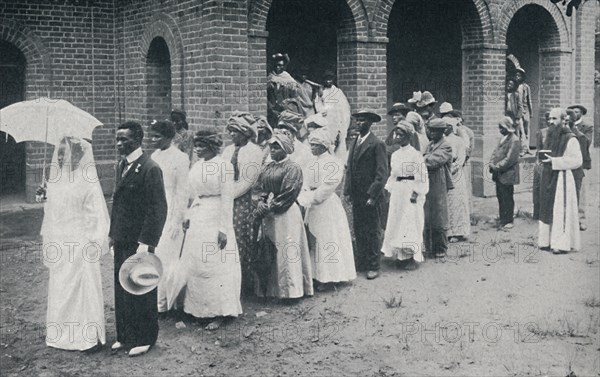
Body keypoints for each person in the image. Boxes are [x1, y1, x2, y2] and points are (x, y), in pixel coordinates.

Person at [41, 137, 109, 352]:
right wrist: (45, 195)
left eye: (65, 153)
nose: (61, 157)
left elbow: (95, 214)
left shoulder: (86, 180)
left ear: (77, 155)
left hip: (79, 241)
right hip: (60, 240)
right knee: (61, 285)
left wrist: (91, 241)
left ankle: (87, 337)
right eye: (58, 154)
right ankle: (60, 334)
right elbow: (52, 213)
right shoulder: (56, 180)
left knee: (81, 286)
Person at [109, 121, 168, 357]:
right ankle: (126, 335)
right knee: (122, 287)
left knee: (141, 287)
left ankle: (145, 338)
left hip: (139, 240)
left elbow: (158, 209)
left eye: (125, 139)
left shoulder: (150, 168)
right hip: (122, 238)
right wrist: (112, 235)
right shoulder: (121, 165)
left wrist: (147, 242)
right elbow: (118, 204)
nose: (120, 143)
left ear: (139, 139)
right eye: (117, 139)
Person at [180, 126, 242, 329]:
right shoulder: (196, 167)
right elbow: (193, 195)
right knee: (197, 263)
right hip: (199, 217)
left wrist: (224, 228)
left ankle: (220, 311)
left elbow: (227, 199)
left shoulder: (224, 166)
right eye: (196, 145)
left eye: (201, 146)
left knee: (216, 264)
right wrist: (187, 215)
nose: (197, 149)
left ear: (212, 147)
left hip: (216, 216)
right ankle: (199, 309)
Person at [253, 129, 314, 299]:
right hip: (270, 215)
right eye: (271, 148)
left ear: (286, 149)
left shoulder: (293, 168)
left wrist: (270, 207)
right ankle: (271, 290)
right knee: (271, 248)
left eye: (277, 148)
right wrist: (260, 202)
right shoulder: (268, 167)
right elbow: (261, 188)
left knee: (288, 249)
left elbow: (289, 192)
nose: (273, 151)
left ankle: (290, 291)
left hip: (286, 213)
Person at [297, 128, 356, 290]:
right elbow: (305, 183)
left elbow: (328, 187)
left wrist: (311, 198)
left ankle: (330, 277)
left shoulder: (334, 163)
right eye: (311, 144)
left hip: (327, 205)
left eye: (316, 144)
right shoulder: (312, 163)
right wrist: (304, 194)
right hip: (312, 206)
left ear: (324, 145)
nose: (312, 147)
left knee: (328, 239)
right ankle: (315, 275)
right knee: (314, 238)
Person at [149, 119, 189, 314]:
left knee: (167, 256)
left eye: (157, 136)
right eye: (152, 135)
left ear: (168, 137)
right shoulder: (154, 156)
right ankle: (153, 301)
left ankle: (166, 303)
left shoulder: (180, 158)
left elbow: (182, 192)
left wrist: (176, 220)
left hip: (171, 206)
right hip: (154, 206)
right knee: (153, 254)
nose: (153, 140)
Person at [221, 111, 264, 295]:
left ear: (246, 133)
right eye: (230, 131)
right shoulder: (228, 150)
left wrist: (228, 195)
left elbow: (247, 182)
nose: (232, 135)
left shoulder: (253, 152)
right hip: (226, 198)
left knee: (241, 237)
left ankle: (244, 283)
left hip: (242, 201)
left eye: (235, 132)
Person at [344, 109, 389, 279]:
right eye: (357, 120)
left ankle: (373, 265)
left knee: (372, 230)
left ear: (370, 123)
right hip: (357, 195)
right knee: (359, 229)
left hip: (371, 196)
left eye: (363, 121)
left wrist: (373, 196)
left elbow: (382, 173)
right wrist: (348, 191)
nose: (358, 123)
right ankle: (362, 262)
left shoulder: (377, 144)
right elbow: (349, 169)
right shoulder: (355, 141)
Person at [381, 122, 429, 270]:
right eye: (396, 134)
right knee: (397, 221)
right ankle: (400, 255)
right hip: (398, 191)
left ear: (408, 136)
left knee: (409, 222)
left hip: (410, 190)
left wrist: (416, 193)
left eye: (401, 135)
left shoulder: (415, 155)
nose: (398, 137)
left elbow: (422, 176)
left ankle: (410, 256)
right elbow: (393, 175)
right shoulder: (395, 155)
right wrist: (389, 190)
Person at [538, 108, 582, 254]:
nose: (551, 122)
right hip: (548, 175)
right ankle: (546, 241)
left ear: (564, 120)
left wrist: (555, 161)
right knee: (546, 207)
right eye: (550, 119)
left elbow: (577, 161)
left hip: (562, 177)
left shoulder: (571, 138)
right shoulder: (549, 135)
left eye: (554, 119)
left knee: (559, 209)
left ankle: (560, 243)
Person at [423, 118, 453, 259]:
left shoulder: (446, 146)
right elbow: (426, 157)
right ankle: (429, 246)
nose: (431, 133)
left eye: (435, 131)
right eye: (430, 130)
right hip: (428, 181)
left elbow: (433, 161)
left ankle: (441, 247)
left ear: (441, 132)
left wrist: (423, 158)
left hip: (439, 182)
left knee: (439, 213)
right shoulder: (430, 145)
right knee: (428, 213)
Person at [489, 117, 521, 229]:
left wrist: (497, 167)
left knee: (507, 197)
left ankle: (508, 220)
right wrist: (491, 163)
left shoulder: (514, 140)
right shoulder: (502, 139)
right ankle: (502, 218)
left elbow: (510, 159)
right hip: (499, 174)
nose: (500, 130)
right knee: (500, 196)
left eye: (502, 127)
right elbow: (495, 152)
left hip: (507, 174)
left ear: (508, 127)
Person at [315, 70, 352, 162]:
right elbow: (317, 104)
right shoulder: (321, 92)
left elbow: (344, 108)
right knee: (327, 142)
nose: (328, 82)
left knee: (339, 142)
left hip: (336, 120)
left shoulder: (338, 92)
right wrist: (321, 111)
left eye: (330, 79)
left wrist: (342, 123)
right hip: (326, 121)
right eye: (326, 80)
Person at [444, 119, 471, 241]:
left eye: (448, 126)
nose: (445, 129)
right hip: (444, 174)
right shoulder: (441, 140)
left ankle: (458, 231)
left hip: (455, 175)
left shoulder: (459, 141)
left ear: (452, 127)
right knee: (447, 202)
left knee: (457, 202)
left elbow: (460, 159)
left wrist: (450, 169)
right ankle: (447, 231)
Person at [567, 104, 592, 231]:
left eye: (577, 112)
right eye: (573, 112)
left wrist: (574, 130)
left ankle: (581, 219)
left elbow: (586, 143)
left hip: (582, 163)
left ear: (582, 113)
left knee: (581, 191)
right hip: (569, 161)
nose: (575, 114)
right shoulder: (567, 126)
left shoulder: (587, 127)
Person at [267, 53, 301, 128]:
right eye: (276, 65)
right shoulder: (270, 77)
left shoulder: (288, 79)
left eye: (280, 65)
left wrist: (287, 102)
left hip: (286, 109)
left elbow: (295, 96)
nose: (278, 67)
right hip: (273, 109)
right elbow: (266, 95)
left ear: (284, 66)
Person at [515, 68, 533, 155]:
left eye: (519, 75)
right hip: (519, 111)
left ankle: (527, 147)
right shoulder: (514, 87)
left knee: (527, 130)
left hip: (526, 111)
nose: (517, 77)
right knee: (520, 130)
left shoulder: (526, 87)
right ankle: (522, 149)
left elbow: (529, 100)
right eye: (516, 75)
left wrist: (531, 111)